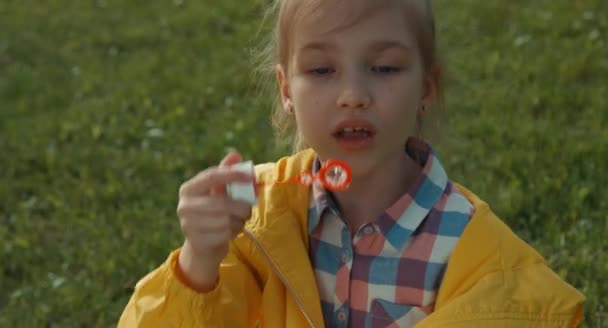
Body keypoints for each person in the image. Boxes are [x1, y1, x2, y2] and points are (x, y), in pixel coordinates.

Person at [118, 0, 585, 327]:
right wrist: (198, 261)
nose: (353, 96)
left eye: (384, 68)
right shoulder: (258, 217)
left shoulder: (476, 257)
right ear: (286, 91)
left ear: (427, 87)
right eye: (322, 70)